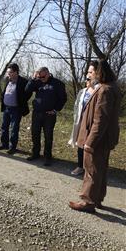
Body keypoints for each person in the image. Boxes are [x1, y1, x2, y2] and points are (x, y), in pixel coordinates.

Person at [69, 60, 121, 213]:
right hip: (105, 138)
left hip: (97, 138)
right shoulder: (112, 87)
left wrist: (90, 142)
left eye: (92, 72)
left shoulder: (105, 90)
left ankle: (88, 202)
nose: (89, 75)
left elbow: (101, 119)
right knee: (100, 169)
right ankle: (97, 199)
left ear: (100, 73)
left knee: (91, 169)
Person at [25, 67, 67, 166]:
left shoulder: (57, 83)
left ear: (48, 74)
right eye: (39, 76)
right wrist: (33, 79)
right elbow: (27, 90)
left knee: (48, 136)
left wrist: (56, 109)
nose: (41, 78)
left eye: (43, 76)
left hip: (49, 115)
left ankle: (47, 157)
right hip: (37, 113)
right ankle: (35, 154)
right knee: (35, 134)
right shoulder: (37, 81)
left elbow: (63, 98)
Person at [0, 63, 31, 154]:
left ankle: (12, 147)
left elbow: (28, 93)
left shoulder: (23, 81)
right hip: (6, 108)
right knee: (4, 127)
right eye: (8, 72)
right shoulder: (8, 80)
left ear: (16, 72)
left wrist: (22, 101)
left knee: (14, 129)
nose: (8, 74)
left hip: (16, 109)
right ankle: (4, 144)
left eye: (10, 72)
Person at [68, 77, 95, 176]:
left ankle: (89, 168)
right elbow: (77, 105)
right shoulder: (83, 91)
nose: (87, 81)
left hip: (92, 123)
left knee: (90, 144)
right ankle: (80, 166)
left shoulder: (98, 91)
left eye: (89, 78)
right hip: (81, 121)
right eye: (86, 79)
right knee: (80, 143)